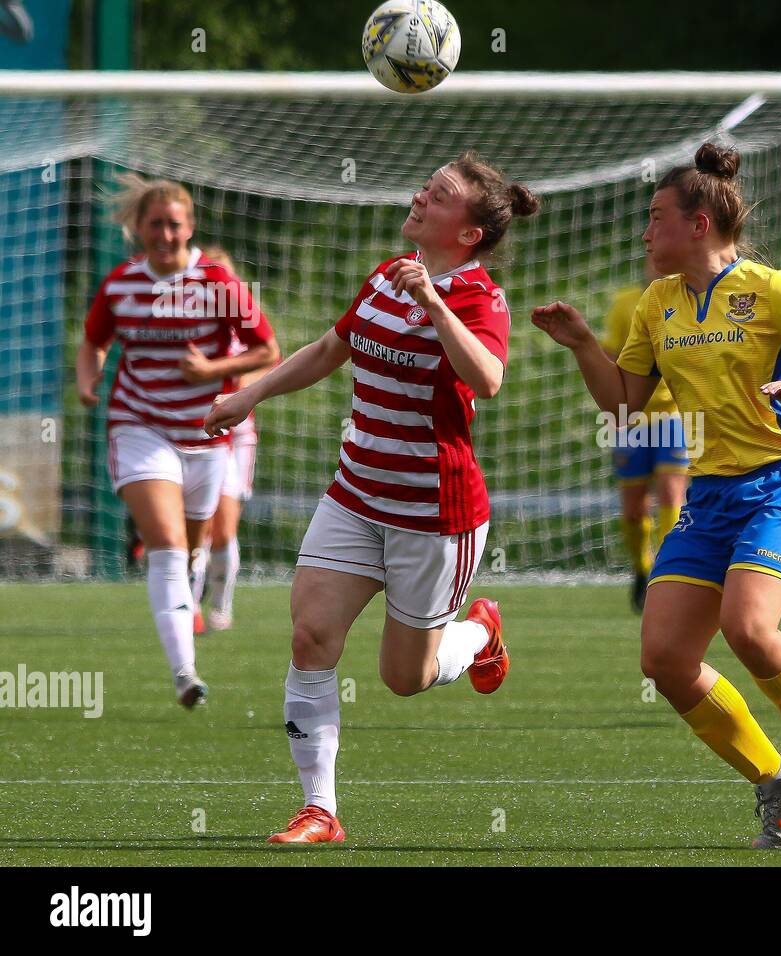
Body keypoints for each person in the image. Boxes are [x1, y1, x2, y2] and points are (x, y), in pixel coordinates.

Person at [533, 144, 781, 848]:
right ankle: (771, 778)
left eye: (655, 218)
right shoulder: (657, 303)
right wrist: (580, 345)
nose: (644, 232)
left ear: (698, 224)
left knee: (751, 630)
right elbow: (625, 405)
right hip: (709, 496)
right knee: (662, 659)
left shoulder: (769, 289)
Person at [205, 152, 540, 844]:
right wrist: (251, 393)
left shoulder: (478, 297)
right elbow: (332, 348)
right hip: (355, 494)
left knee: (404, 678)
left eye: (439, 193)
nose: (421, 195)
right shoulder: (389, 273)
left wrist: (434, 303)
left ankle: (479, 633)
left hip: (434, 515)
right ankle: (320, 810)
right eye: (427, 184)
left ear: (469, 233)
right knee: (310, 636)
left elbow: (487, 376)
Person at [76, 174, 279, 708]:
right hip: (139, 426)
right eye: (155, 224)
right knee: (165, 547)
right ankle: (185, 673)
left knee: (193, 549)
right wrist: (88, 377)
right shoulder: (120, 283)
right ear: (138, 228)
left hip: (207, 436)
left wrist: (213, 367)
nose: (165, 234)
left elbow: (267, 352)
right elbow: (93, 340)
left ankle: (210, 608)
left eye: (174, 225)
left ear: (190, 228)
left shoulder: (217, 282)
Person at [186, 246, 273, 632]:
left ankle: (221, 605)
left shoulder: (244, 324)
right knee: (196, 524)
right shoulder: (186, 326)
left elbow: (270, 362)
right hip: (193, 433)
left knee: (223, 527)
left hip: (236, 437)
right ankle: (188, 608)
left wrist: (237, 391)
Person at [600, 262, 689, 612]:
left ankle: (669, 574)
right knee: (634, 510)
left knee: (672, 493)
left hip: (679, 416)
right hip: (629, 417)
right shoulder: (626, 303)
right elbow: (608, 358)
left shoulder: (687, 301)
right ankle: (642, 568)